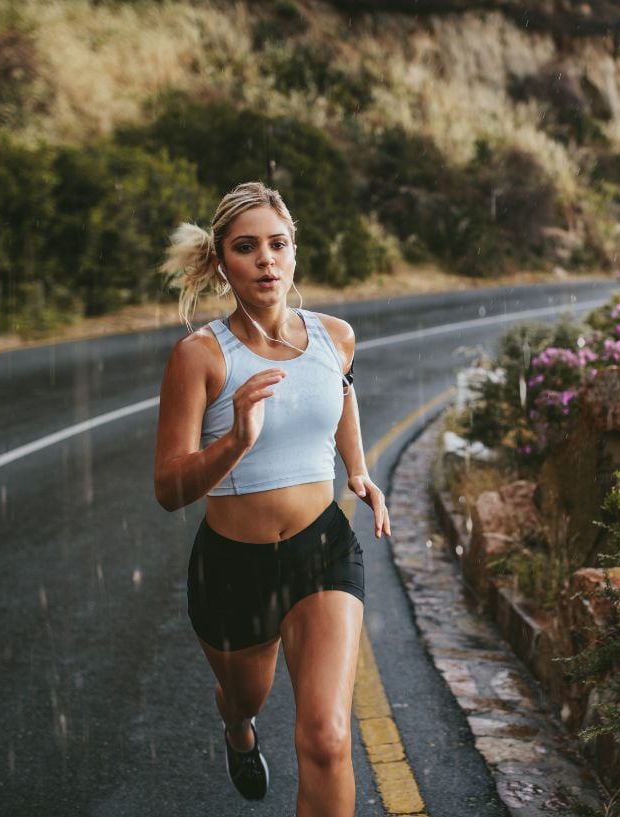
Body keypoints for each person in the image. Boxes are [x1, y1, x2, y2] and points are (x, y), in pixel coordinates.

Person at [153, 181, 389, 816]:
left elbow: (341, 391)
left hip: (322, 552)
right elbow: (168, 488)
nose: (265, 259)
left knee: (327, 738)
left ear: (294, 253)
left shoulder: (335, 335)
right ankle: (237, 729)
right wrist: (234, 441)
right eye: (246, 247)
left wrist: (359, 470)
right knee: (244, 697)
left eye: (277, 244)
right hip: (232, 568)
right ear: (222, 262)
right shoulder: (199, 356)